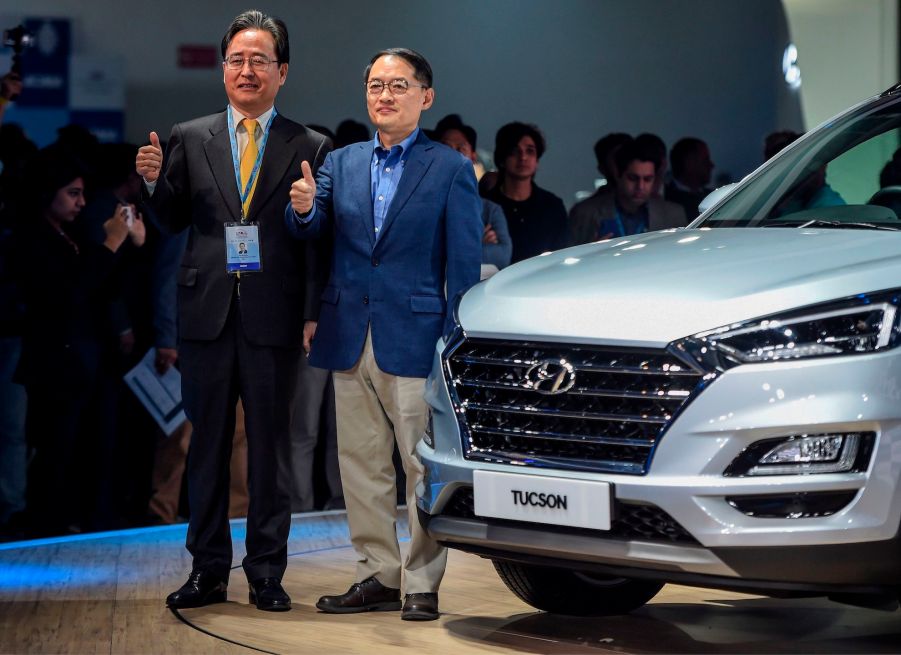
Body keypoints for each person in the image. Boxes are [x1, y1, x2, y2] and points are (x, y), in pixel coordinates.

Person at [135, 9, 331, 613]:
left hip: (274, 318)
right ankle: (208, 571)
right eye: (237, 59)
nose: (247, 70)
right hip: (206, 315)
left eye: (260, 60)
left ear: (283, 71)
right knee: (207, 448)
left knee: (270, 452)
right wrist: (151, 185)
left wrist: (305, 217)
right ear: (223, 69)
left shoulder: (310, 144)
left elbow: (320, 239)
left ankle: (267, 573)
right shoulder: (190, 137)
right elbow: (171, 222)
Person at [285, 47, 482, 621]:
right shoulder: (340, 162)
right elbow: (313, 227)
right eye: (375, 84)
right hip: (349, 331)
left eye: (398, 85)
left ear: (426, 96)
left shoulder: (448, 168)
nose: (384, 95)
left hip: (417, 335)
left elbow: (464, 267)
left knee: (420, 466)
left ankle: (422, 581)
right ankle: (375, 574)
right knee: (361, 464)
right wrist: (301, 208)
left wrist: (454, 339)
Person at [13, 145, 144, 537]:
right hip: (55, 362)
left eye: (82, 193)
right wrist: (110, 243)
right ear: (47, 191)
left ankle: (73, 520)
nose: (81, 202)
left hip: (83, 360)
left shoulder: (65, 233)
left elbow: (102, 286)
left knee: (83, 448)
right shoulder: (31, 238)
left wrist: (129, 245)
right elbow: (69, 295)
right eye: (72, 193)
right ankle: (46, 526)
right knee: (54, 450)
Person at [568, 138, 686, 245]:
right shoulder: (584, 213)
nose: (640, 186)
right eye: (633, 178)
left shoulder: (673, 214)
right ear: (617, 175)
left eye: (648, 179)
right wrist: (590, 252)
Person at [483, 122, 567, 263]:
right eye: (515, 151)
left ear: (537, 161)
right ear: (502, 159)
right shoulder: (486, 207)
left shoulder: (552, 206)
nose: (523, 157)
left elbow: (563, 253)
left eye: (530, 151)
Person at [436, 116, 511, 269]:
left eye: (460, 149)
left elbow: (503, 255)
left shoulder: (490, 210)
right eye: (445, 147)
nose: (453, 155)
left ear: (473, 157)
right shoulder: (419, 204)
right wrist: (477, 244)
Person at [665, 137, 714, 220]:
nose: (711, 165)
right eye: (705, 160)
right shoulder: (666, 201)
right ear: (690, 163)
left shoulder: (714, 198)